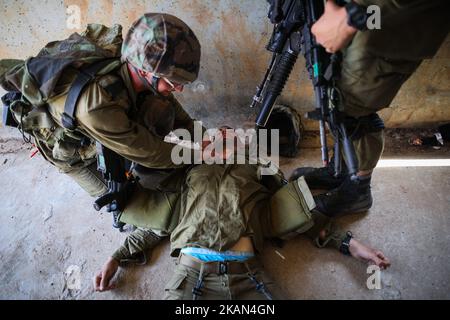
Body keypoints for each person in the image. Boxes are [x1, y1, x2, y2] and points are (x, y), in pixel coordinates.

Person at [93, 137, 391, 299]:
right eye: (215, 137)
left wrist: (351, 245)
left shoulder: (258, 170)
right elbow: (158, 224)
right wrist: (116, 257)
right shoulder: (190, 173)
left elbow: (296, 212)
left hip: (250, 278)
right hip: (190, 279)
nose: (223, 138)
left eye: (231, 137)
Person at [1, 13, 203, 199]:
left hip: (105, 121)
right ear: (144, 72)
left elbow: (175, 112)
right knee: (128, 201)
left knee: (158, 111)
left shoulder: (137, 55)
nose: (179, 89)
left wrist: (206, 137)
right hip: (72, 149)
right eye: (173, 83)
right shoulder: (95, 106)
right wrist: (201, 154)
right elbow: (153, 154)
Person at [291, 0, 450, 216]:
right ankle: (344, 171)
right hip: (367, 15)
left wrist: (350, 15)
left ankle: (358, 191)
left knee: (352, 109)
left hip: (388, 18)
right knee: (333, 95)